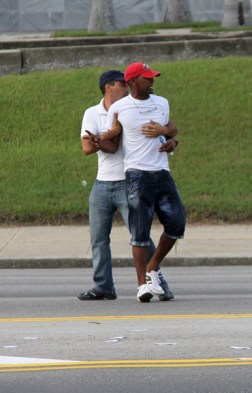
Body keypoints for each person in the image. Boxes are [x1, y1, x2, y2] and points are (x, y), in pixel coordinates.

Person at [78, 70, 177, 301]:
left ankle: (159, 284)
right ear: (108, 87)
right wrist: (103, 138)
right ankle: (103, 287)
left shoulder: (132, 109)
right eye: (122, 84)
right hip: (102, 183)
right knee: (98, 238)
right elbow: (87, 148)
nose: (126, 88)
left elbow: (163, 133)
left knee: (141, 236)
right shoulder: (92, 113)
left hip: (130, 182)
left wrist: (172, 141)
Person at [100, 62, 186, 303]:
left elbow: (170, 130)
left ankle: (152, 267)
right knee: (139, 233)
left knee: (177, 223)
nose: (152, 81)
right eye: (147, 78)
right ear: (133, 82)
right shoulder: (119, 108)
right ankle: (142, 286)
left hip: (162, 172)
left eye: (152, 77)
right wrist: (97, 141)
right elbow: (112, 143)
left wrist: (170, 140)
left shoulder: (162, 102)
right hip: (137, 175)